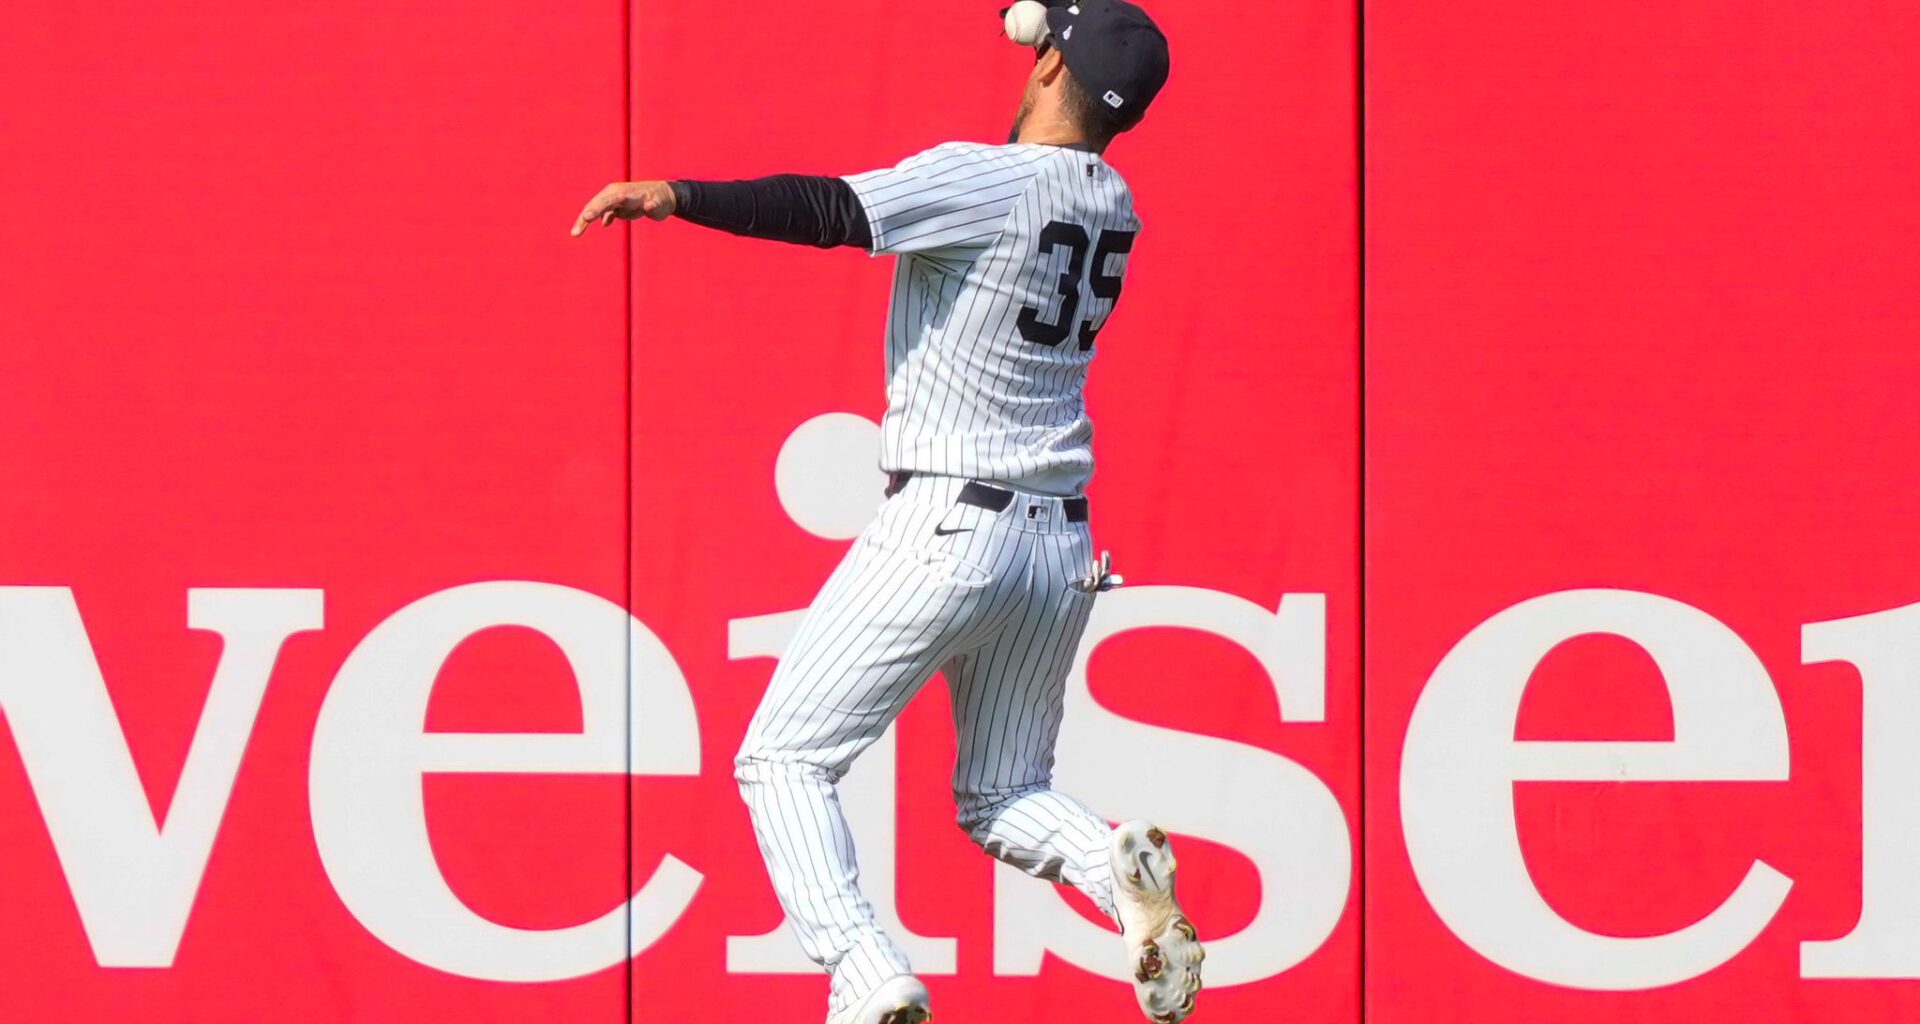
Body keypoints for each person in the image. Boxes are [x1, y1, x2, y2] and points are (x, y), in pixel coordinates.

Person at [572, 3, 1197, 1022]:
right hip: (1062, 542)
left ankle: (863, 970)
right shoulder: (1115, 199)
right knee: (1000, 795)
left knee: (781, 757)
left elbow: (828, 209)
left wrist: (678, 194)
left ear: (1046, 65)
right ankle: (1110, 862)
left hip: (951, 522)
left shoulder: (991, 179)